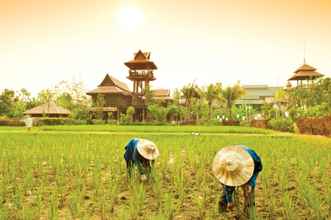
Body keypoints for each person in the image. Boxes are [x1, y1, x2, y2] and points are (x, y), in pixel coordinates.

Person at [212, 145, 262, 217]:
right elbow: (226, 185)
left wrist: (250, 183)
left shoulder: (253, 159)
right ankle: (221, 214)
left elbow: (258, 169)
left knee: (249, 194)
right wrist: (229, 200)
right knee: (225, 193)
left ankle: (249, 213)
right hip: (228, 168)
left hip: (250, 167)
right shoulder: (223, 164)